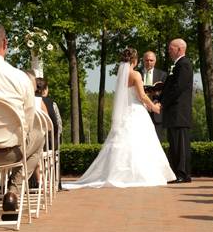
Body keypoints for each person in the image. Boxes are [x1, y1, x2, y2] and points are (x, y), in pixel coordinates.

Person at [65, 48, 175, 188]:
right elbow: (142, 96)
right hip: (137, 110)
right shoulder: (135, 74)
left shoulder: (121, 76)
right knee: (142, 142)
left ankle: (118, 173)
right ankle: (139, 173)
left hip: (126, 111)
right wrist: (153, 107)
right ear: (135, 61)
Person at [0, 22, 45, 217]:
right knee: (39, 137)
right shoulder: (20, 78)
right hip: (10, 152)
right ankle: (13, 191)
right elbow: (27, 122)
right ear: (5, 43)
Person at [159, 38, 193, 183]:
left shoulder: (183, 65)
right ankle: (178, 173)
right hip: (173, 112)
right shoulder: (177, 65)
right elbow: (170, 87)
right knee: (174, 144)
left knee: (181, 145)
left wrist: (162, 103)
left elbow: (177, 88)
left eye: (171, 48)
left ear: (179, 49)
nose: (168, 50)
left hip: (180, 112)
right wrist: (159, 97)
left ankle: (184, 174)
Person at [35, 77, 63, 190]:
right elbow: (57, 125)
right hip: (48, 143)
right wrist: (55, 138)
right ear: (45, 90)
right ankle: (54, 183)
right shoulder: (51, 103)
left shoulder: (26, 101)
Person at [140, 51, 167, 140]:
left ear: (155, 61)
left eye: (151, 60)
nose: (149, 62)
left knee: (157, 141)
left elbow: (166, 93)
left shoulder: (162, 75)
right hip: (140, 110)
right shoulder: (137, 74)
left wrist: (157, 94)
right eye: (147, 60)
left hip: (156, 112)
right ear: (143, 60)